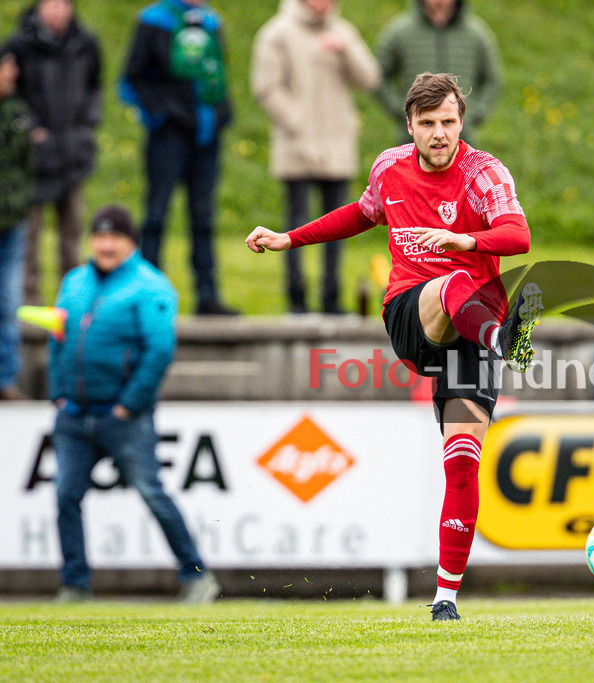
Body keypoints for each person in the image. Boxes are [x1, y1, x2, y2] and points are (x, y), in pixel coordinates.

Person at [246, 73, 542, 621]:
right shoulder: (390, 168)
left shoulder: (484, 174)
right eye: (427, 124)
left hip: (470, 337)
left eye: (448, 122)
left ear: (461, 122)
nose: (438, 134)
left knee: (462, 462)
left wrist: (467, 240)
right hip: (414, 316)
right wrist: (290, 238)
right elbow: (360, 213)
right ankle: (507, 340)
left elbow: (518, 235)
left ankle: (445, 600)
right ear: (410, 125)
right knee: (453, 283)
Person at [49, 204, 220, 603]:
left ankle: (196, 575)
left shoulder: (150, 285)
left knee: (152, 494)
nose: (105, 245)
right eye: (99, 236)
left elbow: (159, 350)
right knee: (65, 498)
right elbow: (57, 338)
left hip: (123, 417)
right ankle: (74, 584)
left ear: (131, 243)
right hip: (74, 414)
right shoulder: (74, 282)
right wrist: (58, 394)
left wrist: (129, 404)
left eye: (115, 238)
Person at [251, 0, 381, 314]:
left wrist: (346, 49)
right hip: (297, 144)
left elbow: (370, 79)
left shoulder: (343, 31)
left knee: (338, 223)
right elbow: (265, 88)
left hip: (336, 144)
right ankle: (296, 298)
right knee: (296, 222)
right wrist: (297, 122)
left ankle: (331, 297)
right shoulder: (277, 33)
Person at [120, 0, 238, 316]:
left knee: (203, 216)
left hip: (206, 133)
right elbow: (131, 77)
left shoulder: (211, 22)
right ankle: (145, 296)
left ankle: (207, 294)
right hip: (168, 135)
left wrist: (221, 115)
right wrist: (160, 115)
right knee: (156, 213)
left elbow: (218, 73)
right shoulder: (153, 21)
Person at [3, 0, 102, 307]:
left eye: (64, 5)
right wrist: (28, 128)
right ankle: (28, 303)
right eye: (52, 5)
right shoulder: (19, 44)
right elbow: (8, 91)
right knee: (28, 240)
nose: (58, 11)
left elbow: (95, 88)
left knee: (72, 236)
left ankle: (72, 303)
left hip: (73, 153)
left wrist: (86, 127)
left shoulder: (85, 42)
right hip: (33, 159)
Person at [375, 0, 502, 146]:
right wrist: (402, 110)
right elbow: (378, 75)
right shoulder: (399, 32)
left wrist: (474, 113)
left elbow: (492, 79)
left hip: (462, 138)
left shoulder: (476, 34)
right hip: (412, 141)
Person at [0, 49, 33, 400]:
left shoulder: (18, 112)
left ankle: (7, 378)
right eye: (7, 67)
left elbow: (26, 166)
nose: (13, 72)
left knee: (9, 302)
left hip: (12, 221)